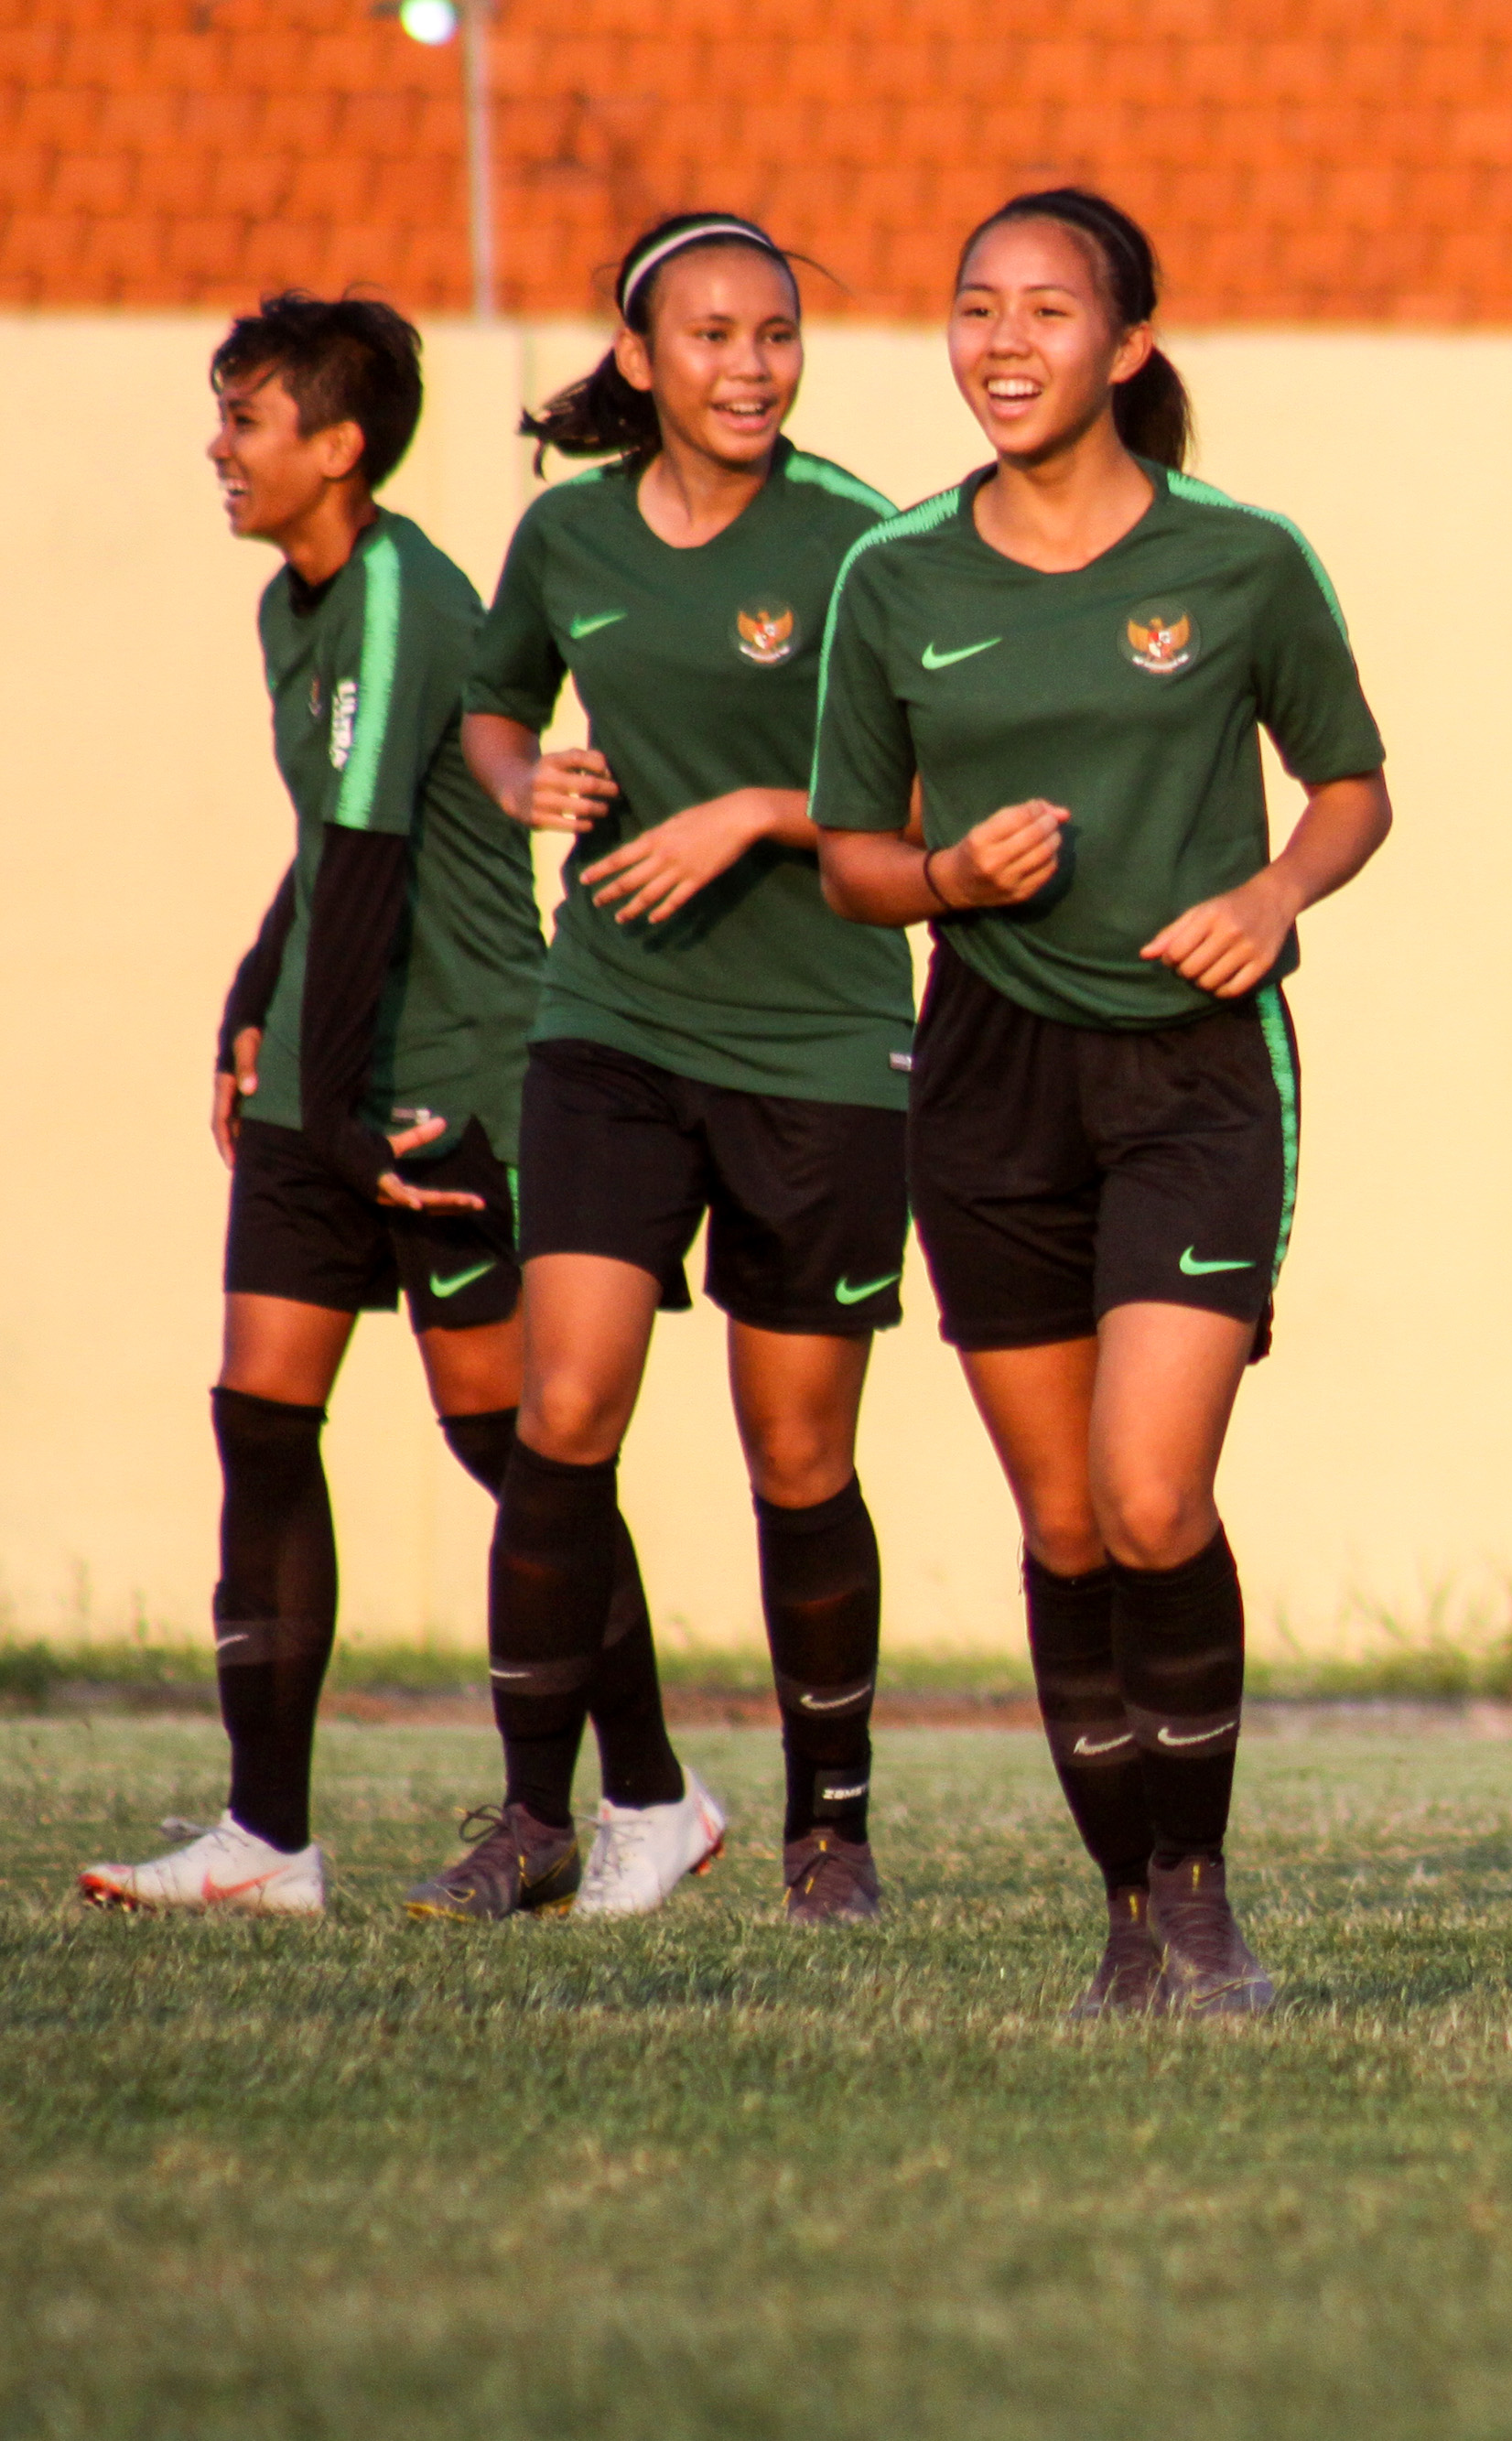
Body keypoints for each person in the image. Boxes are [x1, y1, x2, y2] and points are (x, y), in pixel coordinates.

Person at [811, 189, 1390, 2013]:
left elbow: (1353, 784)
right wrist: (944, 879)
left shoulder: (1240, 561)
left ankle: (1203, 1894)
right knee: (1063, 1526)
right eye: (974, 305)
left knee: (1152, 1497)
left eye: (1045, 311)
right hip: (986, 1069)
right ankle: (1126, 1927)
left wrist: (1272, 894)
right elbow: (846, 858)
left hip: (1195, 1067)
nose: (1002, 341)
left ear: (1124, 346)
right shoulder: (891, 574)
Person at [412, 211, 909, 1927]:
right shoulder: (565, 533)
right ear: (639, 358)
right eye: (711, 335)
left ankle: (826, 1834)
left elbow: (926, 804)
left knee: (797, 1453)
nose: (750, 365)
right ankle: (534, 1818)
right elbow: (490, 706)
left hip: (825, 1042)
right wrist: (523, 778)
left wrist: (760, 813)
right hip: (609, 1028)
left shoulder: (865, 544)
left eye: (775, 333)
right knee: (563, 1406)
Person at [81, 297, 545, 1915]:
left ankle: (646, 1786)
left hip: (451, 1077)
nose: (219, 445)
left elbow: (380, 865)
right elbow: (325, 846)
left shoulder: (410, 593)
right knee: (263, 1414)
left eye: (248, 419)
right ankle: (266, 1839)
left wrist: (343, 1112)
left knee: (510, 1441)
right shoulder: (295, 600)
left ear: (338, 450)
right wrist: (247, 1008)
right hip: (327, 1073)